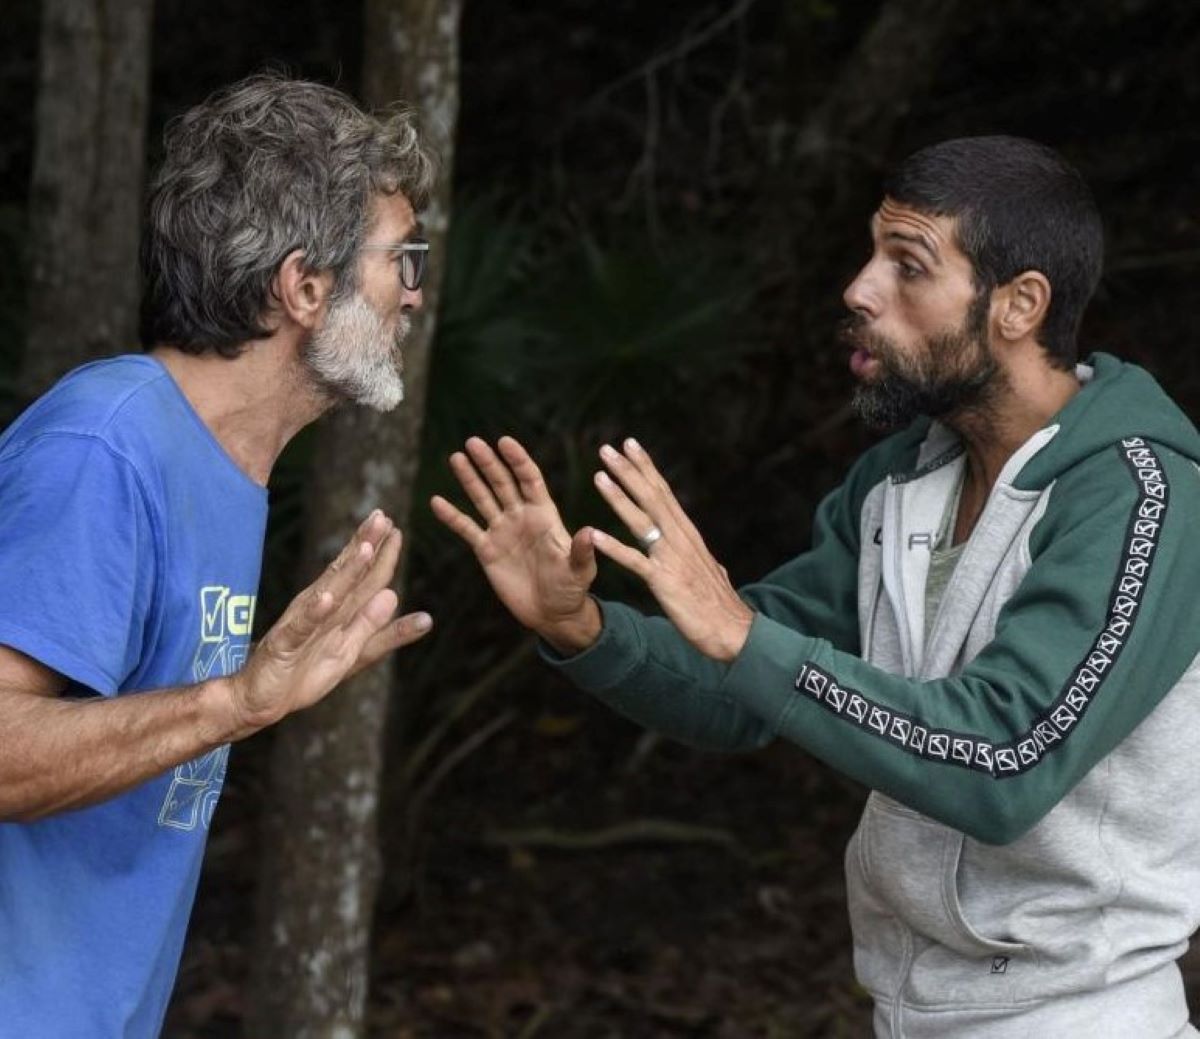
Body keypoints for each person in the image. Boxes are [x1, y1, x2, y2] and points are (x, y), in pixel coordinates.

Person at [433, 136, 1200, 1037]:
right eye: (872, 253)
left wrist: (745, 637)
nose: (860, 289)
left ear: (1019, 305)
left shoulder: (1145, 495)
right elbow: (740, 688)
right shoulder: (897, 483)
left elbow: (1005, 760)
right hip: (905, 1012)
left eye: (907, 266)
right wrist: (587, 628)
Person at [0, 73, 436, 1037]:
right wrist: (238, 702)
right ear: (304, 286)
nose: (413, 292)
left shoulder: (225, 467)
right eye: (399, 258)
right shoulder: (105, 447)